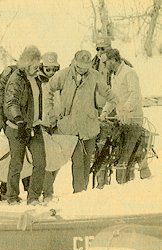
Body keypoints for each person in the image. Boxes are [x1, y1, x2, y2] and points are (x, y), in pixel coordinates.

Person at [46, 50, 117, 193]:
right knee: (76, 162)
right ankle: (77, 193)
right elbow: (48, 90)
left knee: (86, 163)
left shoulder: (95, 76)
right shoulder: (63, 75)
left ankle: (82, 193)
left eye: (86, 67)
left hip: (89, 127)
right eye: (80, 67)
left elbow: (111, 96)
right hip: (69, 128)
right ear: (74, 63)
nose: (83, 70)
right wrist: (51, 113)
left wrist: (105, 110)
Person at [99, 48, 151, 183]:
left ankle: (138, 174)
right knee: (119, 146)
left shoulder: (129, 73)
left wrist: (125, 110)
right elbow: (113, 98)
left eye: (105, 63)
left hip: (133, 118)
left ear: (113, 60)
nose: (104, 66)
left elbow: (135, 95)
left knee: (131, 148)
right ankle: (127, 177)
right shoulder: (114, 75)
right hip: (122, 118)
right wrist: (105, 111)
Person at [3, 45, 46, 206]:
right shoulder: (17, 79)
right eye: (35, 66)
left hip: (34, 126)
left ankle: (33, 196)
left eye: (38, 65)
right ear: (27, 64)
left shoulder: (36, 78)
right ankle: (12, 196)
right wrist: (19, 119)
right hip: (17, 127)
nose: (37, 69)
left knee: (40, 162)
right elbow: (11, 101)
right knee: (16, 163)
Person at [38, 51, 61, 203]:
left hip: (58, 124)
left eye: (54, 69)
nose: (51, 72)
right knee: (47, 159)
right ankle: (47, 192)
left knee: (58, 158)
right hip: (43, 124)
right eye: (48, 69)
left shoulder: (61, 82)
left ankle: (49, 188)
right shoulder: (38, 82)